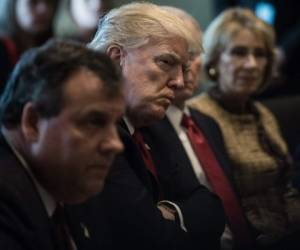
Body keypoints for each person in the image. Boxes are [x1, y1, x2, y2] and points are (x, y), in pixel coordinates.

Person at [68, 2, 225, 250]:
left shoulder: (153, 124)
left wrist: (168, 214)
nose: (179, 81)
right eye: (165, 62)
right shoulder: (93, 132)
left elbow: (213, 208)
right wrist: (179, 217)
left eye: (183, 69)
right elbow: (147, 238)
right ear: (115, 58)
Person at [188, 7, 300, 250]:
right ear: (215, 59)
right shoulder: (196, 117)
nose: (251, 64)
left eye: (260, 54)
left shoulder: (262, 113)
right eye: (238, 52)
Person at [0, 39, 124, 250]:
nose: (116, 144)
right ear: (33, 123)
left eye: (115, 124)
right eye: (94, 121)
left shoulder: (61, 182)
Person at [0, 0, 60, 95]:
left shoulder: (54, 49)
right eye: (33, 2)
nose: (44, 9)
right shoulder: (3, 47)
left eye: (50, 2)